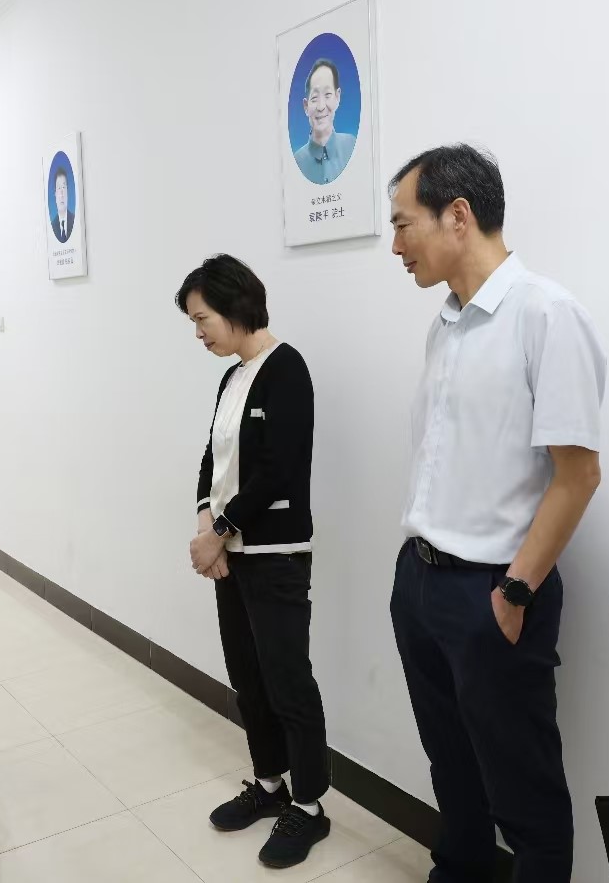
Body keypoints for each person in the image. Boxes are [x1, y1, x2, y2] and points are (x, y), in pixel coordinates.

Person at [388, 144, 606, 882]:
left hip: (494, 591)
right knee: (452, 768)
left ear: (458, 215)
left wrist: (515, 591)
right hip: (421, 581)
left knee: (524, 788)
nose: (397, 246)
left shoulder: (547, 315)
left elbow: (578, 475)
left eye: (403, 224)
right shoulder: (446, 324)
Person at [177, 254, 331, 869]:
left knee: (288, 679)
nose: (198, 333)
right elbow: (212, 461)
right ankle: (270, 783)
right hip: (231, 553)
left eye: (202, 318)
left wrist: (221, 530)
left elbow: (278, 470)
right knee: (248, 677)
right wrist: (205, 523)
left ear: (235, 305)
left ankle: (310, 805)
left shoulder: (286, 369)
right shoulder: (231, 378)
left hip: (274, 555)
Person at [293, 58, 356, 185]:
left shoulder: (352, 145)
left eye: (327, 95)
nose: (321, 106)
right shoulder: (296, 162)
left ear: (337, 97)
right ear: (306, 106)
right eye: (314, 98)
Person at [51, 166, 76, 243]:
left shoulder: (75, 220)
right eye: (59, 188)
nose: (61, 194)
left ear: (67, 192)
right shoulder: (52, 227)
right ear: (55, 194)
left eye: (63, 187)